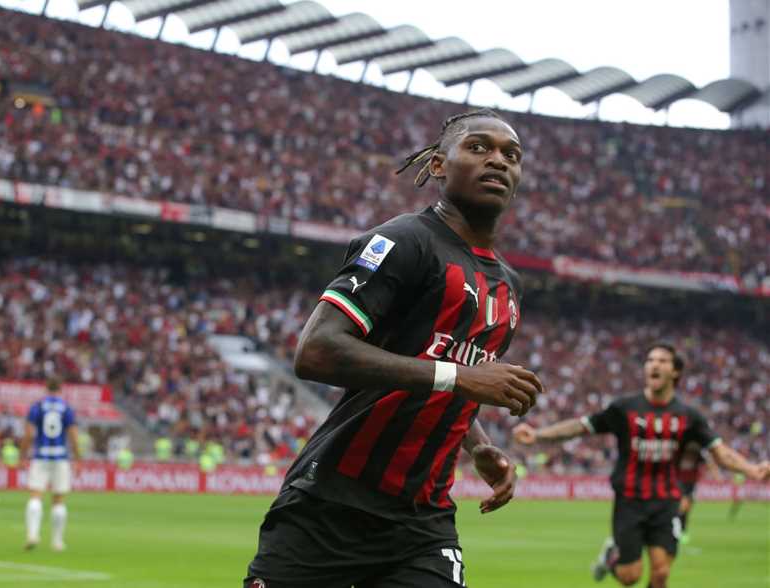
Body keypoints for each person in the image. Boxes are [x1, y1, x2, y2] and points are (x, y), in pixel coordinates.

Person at [245, 109, 544, 588]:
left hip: (423, 522)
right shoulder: (403, 241)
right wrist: (461, 378)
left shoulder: (508, 285)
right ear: (439, 165)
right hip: (332, 506)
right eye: (478, 147)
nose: (498, 160)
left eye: (512, 155)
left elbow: (447, 371)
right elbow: (317, 350)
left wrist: (480, 445)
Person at [513, 344, 770, 588]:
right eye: (650, 360)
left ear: (675, 371)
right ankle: (612, 557)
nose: (654, 365)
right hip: (630, 500)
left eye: (662, 361)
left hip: (666, 499)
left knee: (661, 572)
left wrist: (752, 469)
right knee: (630, 576)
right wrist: (538, 435)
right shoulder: (624, 408)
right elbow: (582, 426)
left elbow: (720, 452)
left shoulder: (688, 416)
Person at [21, 378, 79, 551]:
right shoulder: (66, 408)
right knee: (59, 500)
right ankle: (57, 541)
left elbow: (29, 434)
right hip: (60, 457)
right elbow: (73, 435)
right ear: (61, 388)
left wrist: (23, 454)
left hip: (41, 456)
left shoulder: (37, 407)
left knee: (35, 496)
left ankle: (32, 535)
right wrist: (77, 458)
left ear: (46, 388)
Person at [673, 440, 721, 544]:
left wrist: (715, 473)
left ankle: (682, 531)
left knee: (687, 508)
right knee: (682, 506)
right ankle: (676, 530)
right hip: (679, 480)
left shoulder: (699, 451)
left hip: (691, 482)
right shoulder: (679, 449)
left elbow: (709, 462)